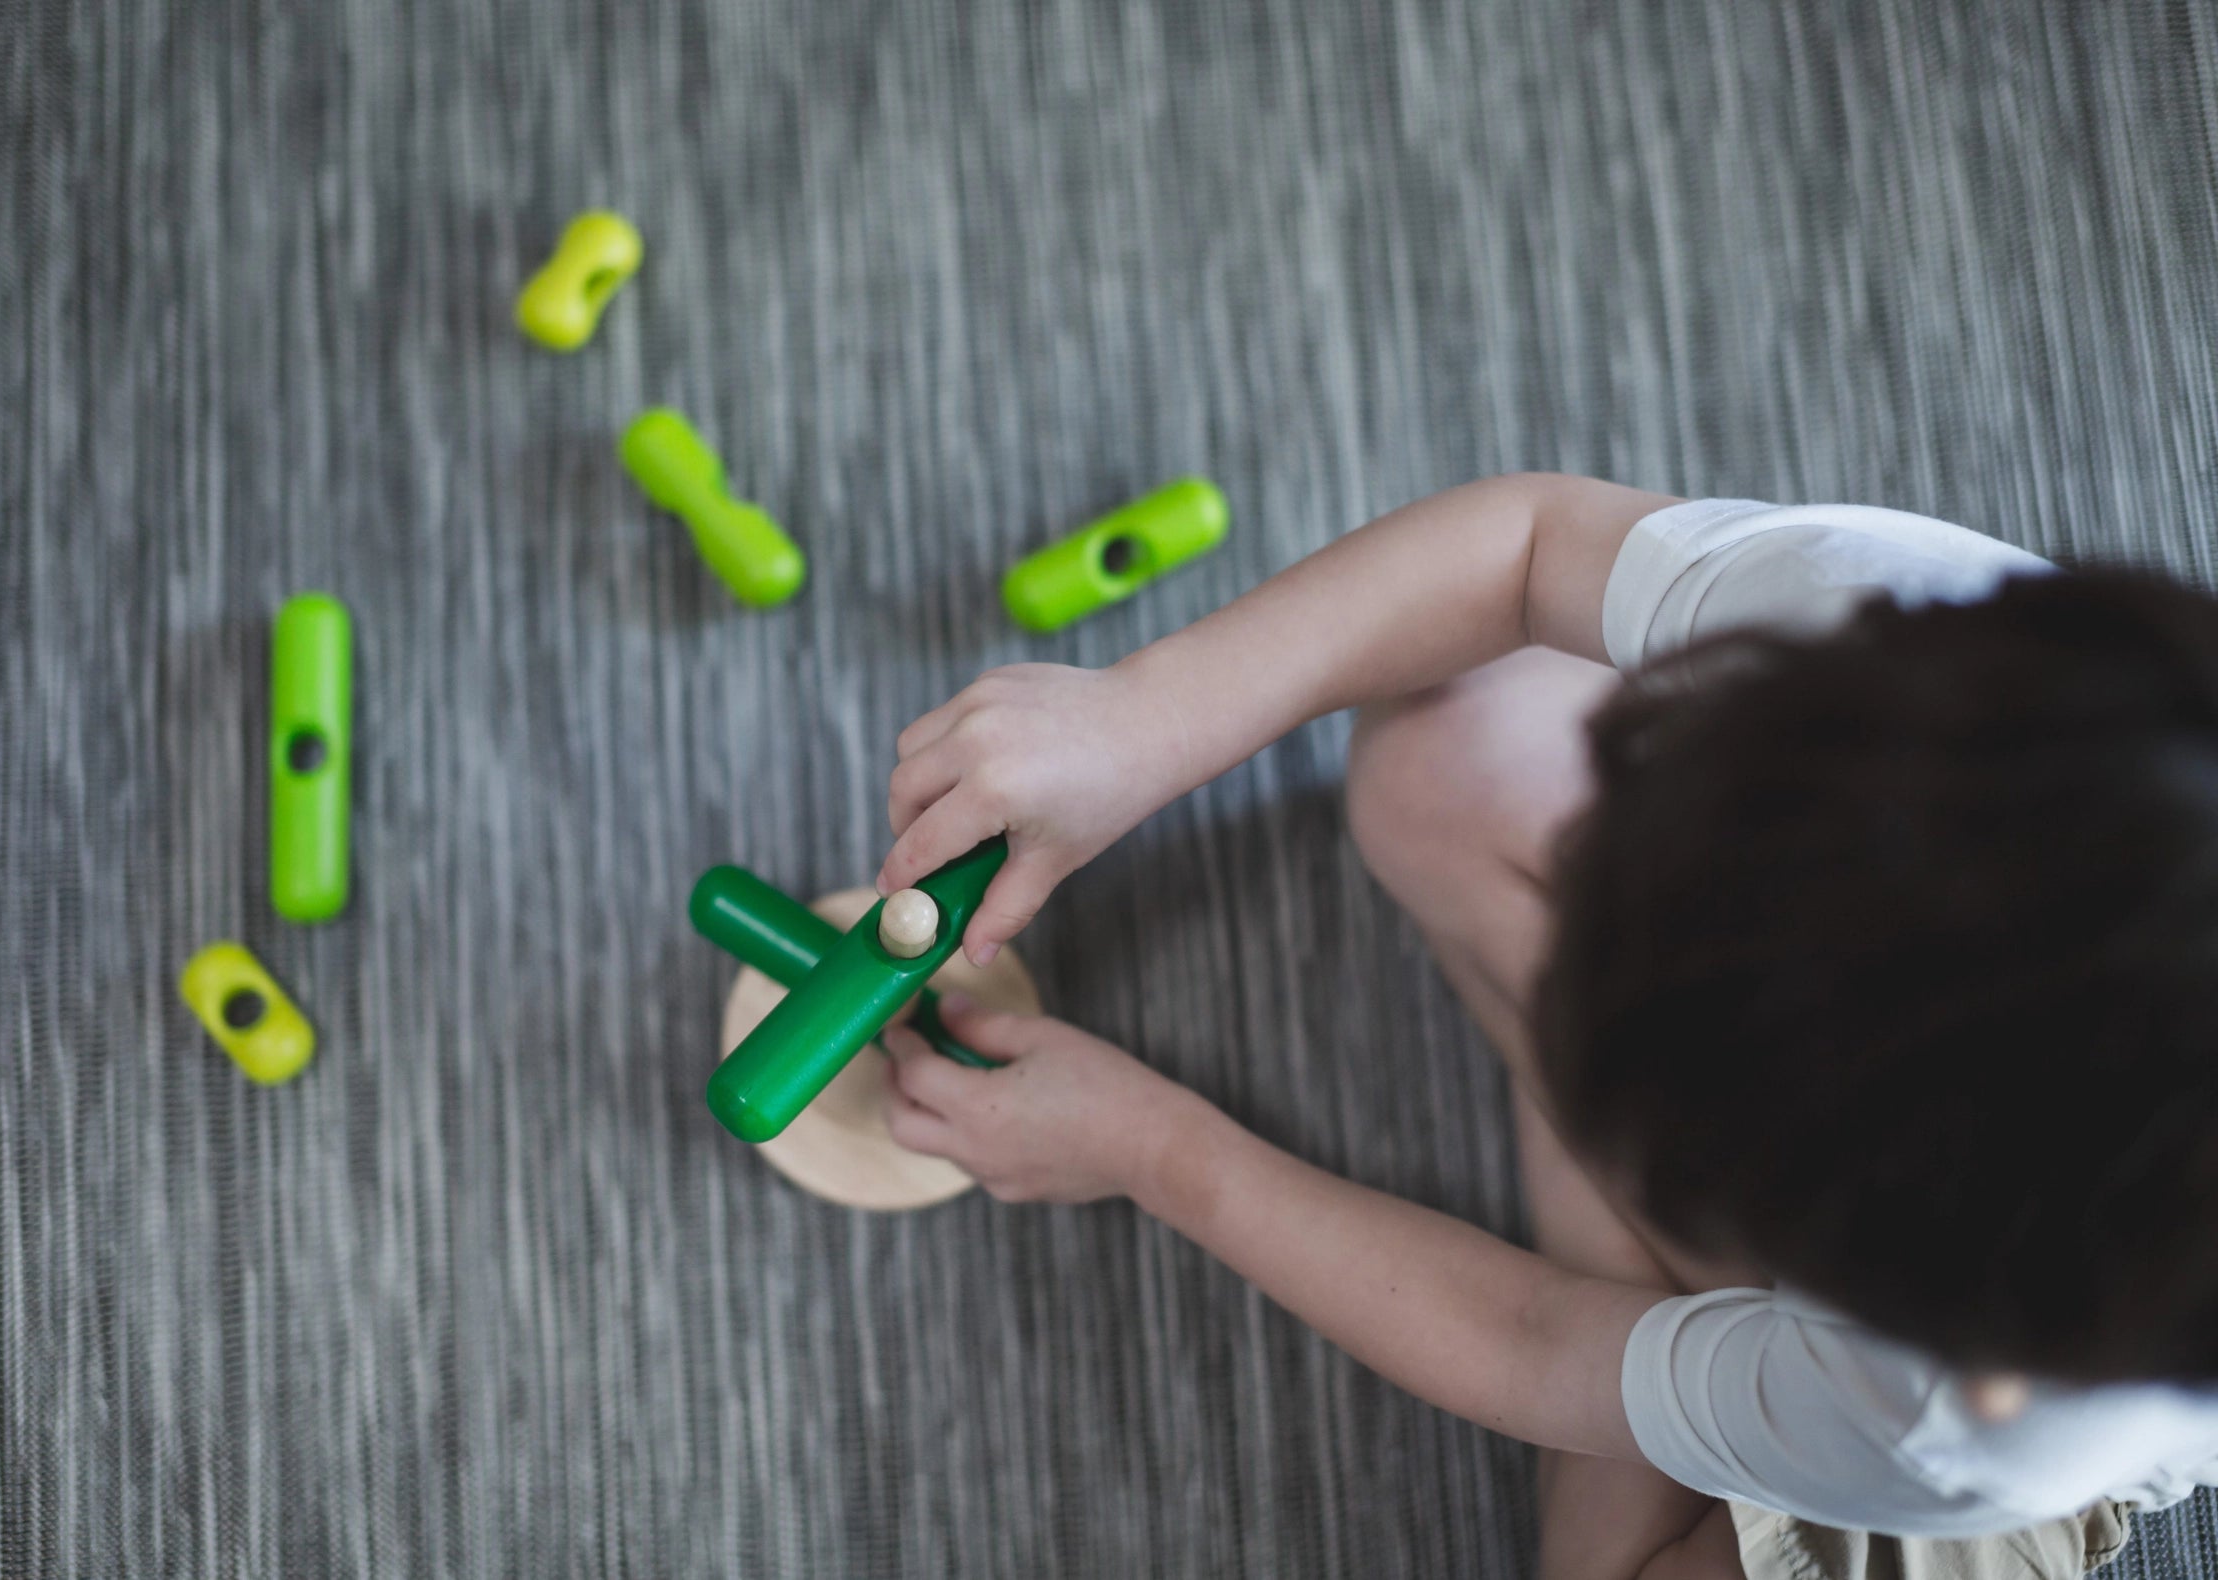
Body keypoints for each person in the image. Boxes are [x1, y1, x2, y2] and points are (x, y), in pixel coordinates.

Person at [871, 476, 2218, 1580]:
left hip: (2010, 1418)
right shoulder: (1940, 638)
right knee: (1443, 746)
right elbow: (1526, 549)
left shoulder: (1955, 1424)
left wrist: (1158, 1149)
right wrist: (1152, 714)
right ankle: (1685, 1329)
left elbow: (1531, 1347)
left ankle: (1683, 1333)